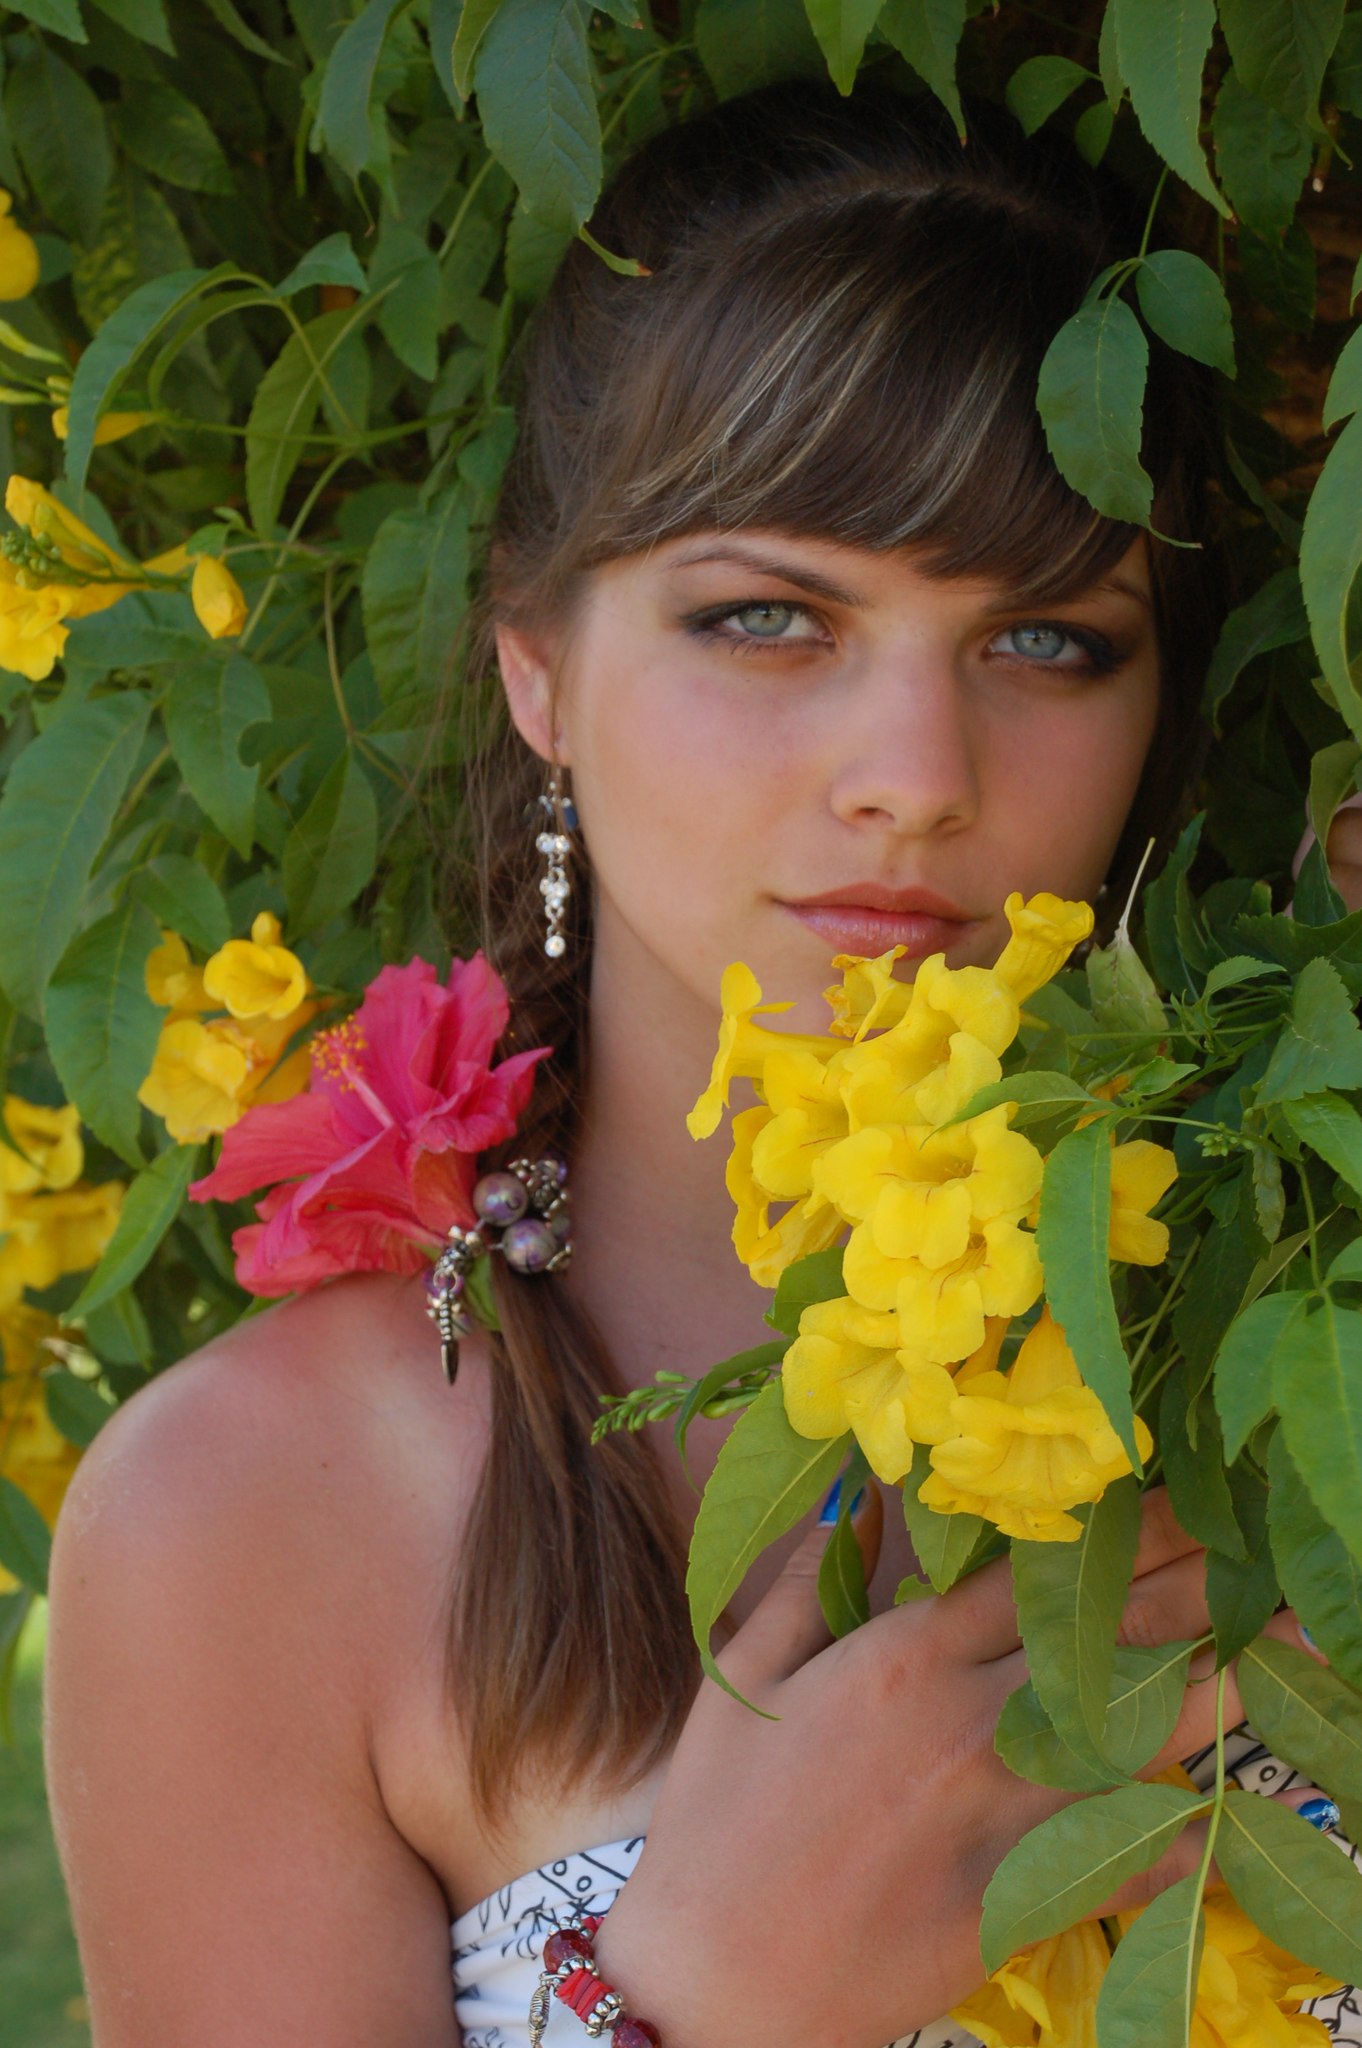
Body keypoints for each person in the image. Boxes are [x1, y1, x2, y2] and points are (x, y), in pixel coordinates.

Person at [41, 77, 1362, 2048]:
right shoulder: (253, 1516)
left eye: (1048, 641)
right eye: (765, 618)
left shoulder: (1297, 1340)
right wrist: (716, 2004)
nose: (914, 776)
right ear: (537, 667)